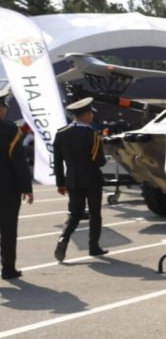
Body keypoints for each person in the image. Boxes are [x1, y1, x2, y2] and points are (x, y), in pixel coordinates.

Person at [53, 97, 107, 261]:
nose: (91, 116)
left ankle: (63, 238)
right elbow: (100, 161)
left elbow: (57, 161)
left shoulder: (61, 133)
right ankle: (94, 247)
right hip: (92, 179)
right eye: (90, 113)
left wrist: (60, 183)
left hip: (73, 180)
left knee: (74, 213)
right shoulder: (92, 134)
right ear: (85, 115)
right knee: (95, 213)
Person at [0, 94, 34, 279]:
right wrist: (26, 188)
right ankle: (8, 268)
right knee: (8, 229)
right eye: (4, 107)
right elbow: (18, 162)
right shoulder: (10, 130)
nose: (5, 110)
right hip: (7, 189)